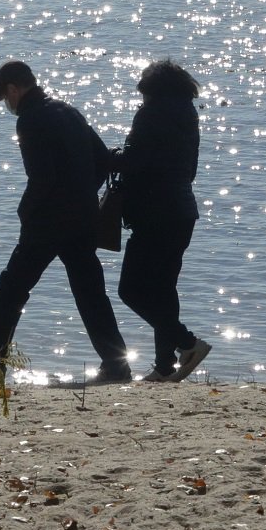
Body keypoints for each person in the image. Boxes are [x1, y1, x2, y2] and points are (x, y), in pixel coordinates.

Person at [0, 61, 131, 386]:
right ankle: (117, 366)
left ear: (14, 89)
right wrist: (83, 196)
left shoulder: (31, 120)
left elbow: (42, 178)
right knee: (91, 293)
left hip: (48, 222)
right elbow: (104, 159)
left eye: (6, 99)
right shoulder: (69, 111)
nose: (8, 106)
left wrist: (26, 212)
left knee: (11, 289)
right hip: (83, 218)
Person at [112, 59, 211, 382]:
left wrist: (106, 158)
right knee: (163, 290)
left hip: (155, 213)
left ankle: (188, 344)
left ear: (150, 90)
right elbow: (189, 169)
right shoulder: (188, 113)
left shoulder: (151, 114)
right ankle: (164, 364)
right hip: (183, 211)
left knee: (131, 290)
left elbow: (136, 161)